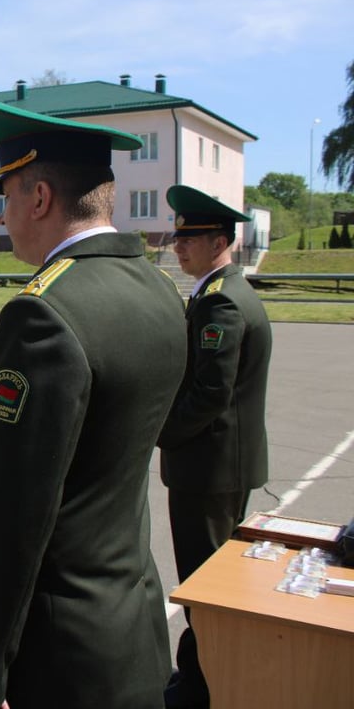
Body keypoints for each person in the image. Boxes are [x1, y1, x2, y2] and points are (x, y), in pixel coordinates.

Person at [0, 96, 187, 709]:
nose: (4, 218)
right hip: (131, 620)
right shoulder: (158, 290)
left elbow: (10, 523)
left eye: (7, 198)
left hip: (59, 654)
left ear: (41, 198)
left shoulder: (42, 314)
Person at [157, 185, 273, 709]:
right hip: (221, 462)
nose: (178, 246)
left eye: (191, 237)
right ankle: (202, 674)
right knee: (210, 581)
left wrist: (158, 432)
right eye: (178, 236)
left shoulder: (221, 299)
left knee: (203, 584)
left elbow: (209, 394)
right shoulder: (221, 290)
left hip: (208, 467)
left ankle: (200, 684)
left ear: (220, 240)